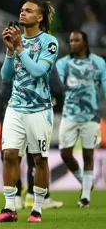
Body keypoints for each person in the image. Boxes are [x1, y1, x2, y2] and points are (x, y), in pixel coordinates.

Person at [0, 0, 59, 223]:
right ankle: (10, 208)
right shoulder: (16, 41)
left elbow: (38, 71)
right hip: (15, 107)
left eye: (29, 10)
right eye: (22, 9)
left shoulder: (49, 42)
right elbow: (7, 77)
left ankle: (37, 209)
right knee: (9, 155)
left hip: (39, 109)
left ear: (39, 17)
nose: (23, 12)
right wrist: (10, 52)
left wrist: (19, 48)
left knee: (39, 158)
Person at [0, 66, 64, 210]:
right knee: (32, 158)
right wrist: (56, 101)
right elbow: (58, 89)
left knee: (16, 157)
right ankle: (28, 196)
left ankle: (21, 197)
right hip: (30, 113)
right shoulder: (42, 60)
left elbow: (0, 92)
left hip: (15, 114)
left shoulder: (15, 59)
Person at [56, 30, 106, 208]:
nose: (73, 43)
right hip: (69, 114)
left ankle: (85, 196)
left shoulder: (99, 62)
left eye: (76, 40)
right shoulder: (63, 63)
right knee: (65, 154)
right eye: (71, 41)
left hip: (91, 115)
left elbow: (105, 85)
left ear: (85, 42)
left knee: (88, 154)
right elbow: (59, 84)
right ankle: (84, 181)